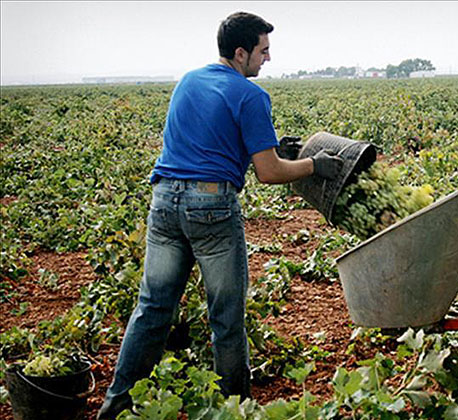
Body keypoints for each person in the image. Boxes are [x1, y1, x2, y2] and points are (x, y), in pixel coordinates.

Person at [97, 11, 343, 419]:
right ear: (241, 52)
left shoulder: (188, 81)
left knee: (153, 309)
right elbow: (269, 172)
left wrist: (276, 145)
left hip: (163, 204)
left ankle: (114, 405)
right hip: (209, 208)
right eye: (263, 51)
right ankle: (235, 410)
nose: (269, 59)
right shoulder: (251, 96)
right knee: (226, 317)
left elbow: (209, 140)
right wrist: (314, 165)